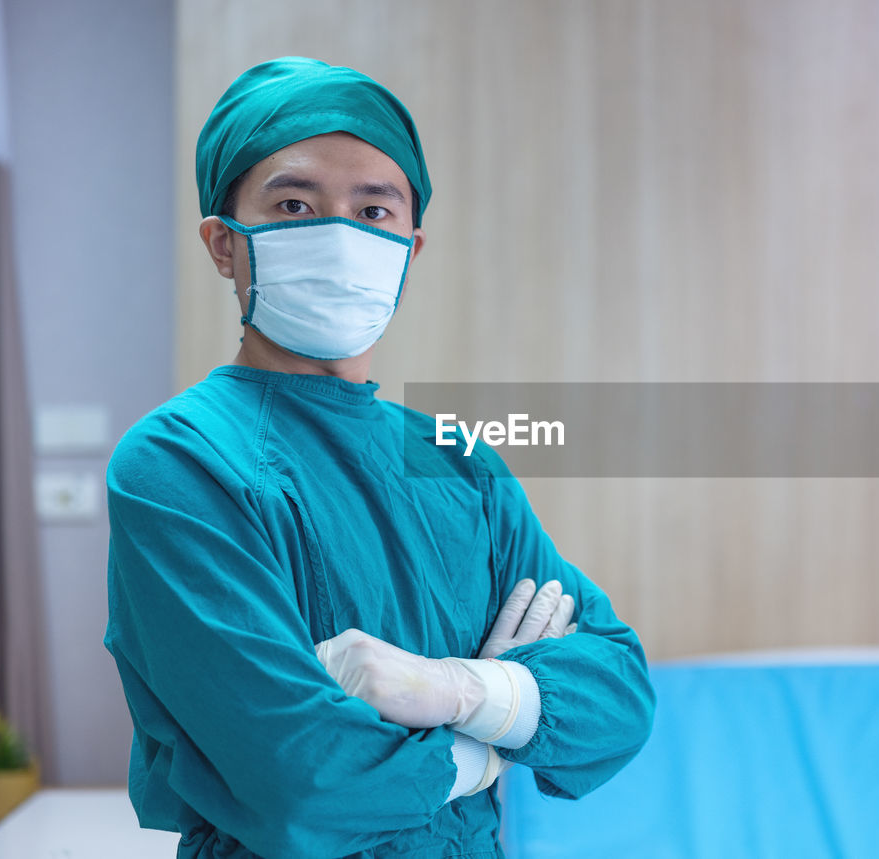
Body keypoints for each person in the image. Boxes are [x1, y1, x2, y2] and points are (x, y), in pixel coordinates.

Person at [103, 57, 655, 859]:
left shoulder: (458, 462)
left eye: (374, 209)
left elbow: (621, 694)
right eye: (294, 203)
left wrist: (459, 687)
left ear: (409, 247)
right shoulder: (179, 464)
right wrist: (496, 733)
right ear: (225, 245)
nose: (339, 233)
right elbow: (302, 785)